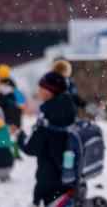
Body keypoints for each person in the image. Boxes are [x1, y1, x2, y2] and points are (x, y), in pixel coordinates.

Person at [16, 71, 77, 206]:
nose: (38, 91)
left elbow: (30, 148)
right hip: (70, 178)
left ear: (49, 91)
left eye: (41, 88)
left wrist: (19, 135)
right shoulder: (70, 109)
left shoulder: (47, 117)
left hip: (50, 183)